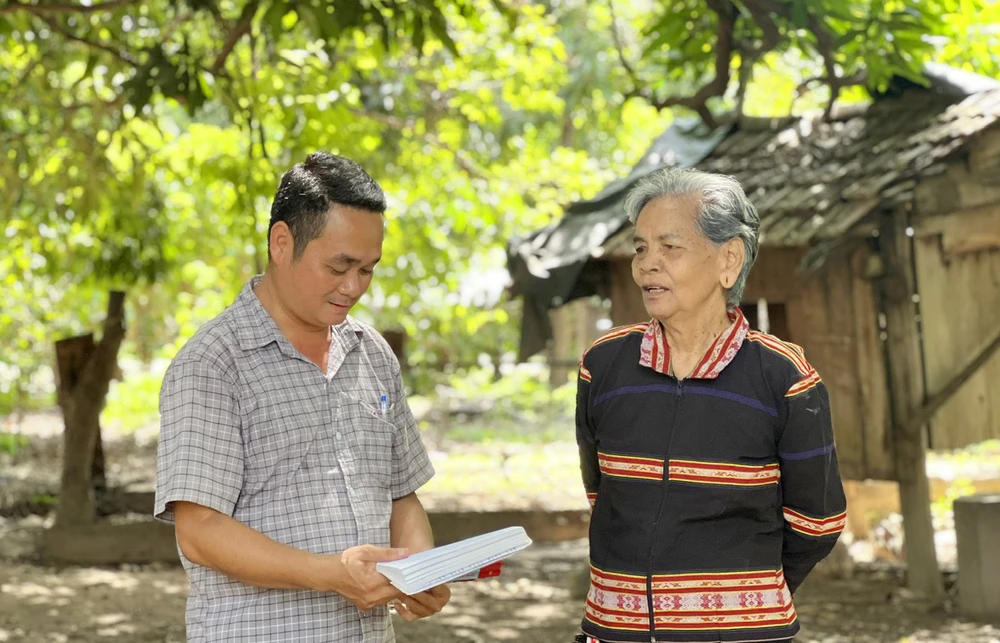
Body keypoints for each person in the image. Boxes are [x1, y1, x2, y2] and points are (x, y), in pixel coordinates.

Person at [154, 152, 450, 642]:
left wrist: (417, 569)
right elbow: (200, 531)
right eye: (340, 266)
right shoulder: (213, 363)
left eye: (368, 270)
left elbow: (402, 494)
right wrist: (329, 573)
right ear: (282, 242)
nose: (353, 286)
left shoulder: (371, 354)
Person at [573, 168, 846, 643]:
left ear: (729, 260)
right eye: (640, 248)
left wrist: (748, 594)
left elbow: (817, 520)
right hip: (615, 629)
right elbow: (604, 494)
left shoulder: (783, 376)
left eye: (669, 247)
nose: (647, 265)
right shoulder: (604, 365)